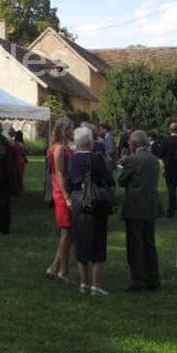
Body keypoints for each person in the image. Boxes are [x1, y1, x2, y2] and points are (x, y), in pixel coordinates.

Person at [68, 126, 115, 296]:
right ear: (90, 141)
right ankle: (95, 285)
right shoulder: (96, 158)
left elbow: (69, 180)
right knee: (98, 241)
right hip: (95, 201)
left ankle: (83, 284)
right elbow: (108, 179)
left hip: (77, 200)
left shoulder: (72, 159)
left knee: (80, 241)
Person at [118, 130, 162, 292]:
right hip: (150, 205)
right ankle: (153, 278)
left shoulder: (133, 159)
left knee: (136, 244)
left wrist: (124, 164)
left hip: (135, 206)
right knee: (149, 243)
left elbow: (122, 180)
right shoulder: (154, 159)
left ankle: (139, 280)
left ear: (134, 144)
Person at [46, 117, 74, 282]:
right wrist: (67, 197)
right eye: (70, 128)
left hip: (64, 192)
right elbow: (60, 174)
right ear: (64, 130)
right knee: (66, 234)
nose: (72, 131)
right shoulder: (59, 150)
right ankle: (63, 271)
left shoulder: (62, 147)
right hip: (62, 193)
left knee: (68, 234)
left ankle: (54, 268)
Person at [159, 122, 177, 218]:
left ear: (170, 130)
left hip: (169, 167)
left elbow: (161, 153)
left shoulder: (166, 141)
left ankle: (172, 210)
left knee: (171, 190)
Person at [11, 131, 28, 195]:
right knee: (20, 177)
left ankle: (17, 191)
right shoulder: (22, 144)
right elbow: (24, 153)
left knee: (16, 177)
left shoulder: (15, 144)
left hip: (16, 162)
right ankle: (20, 190)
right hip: (22, 162)